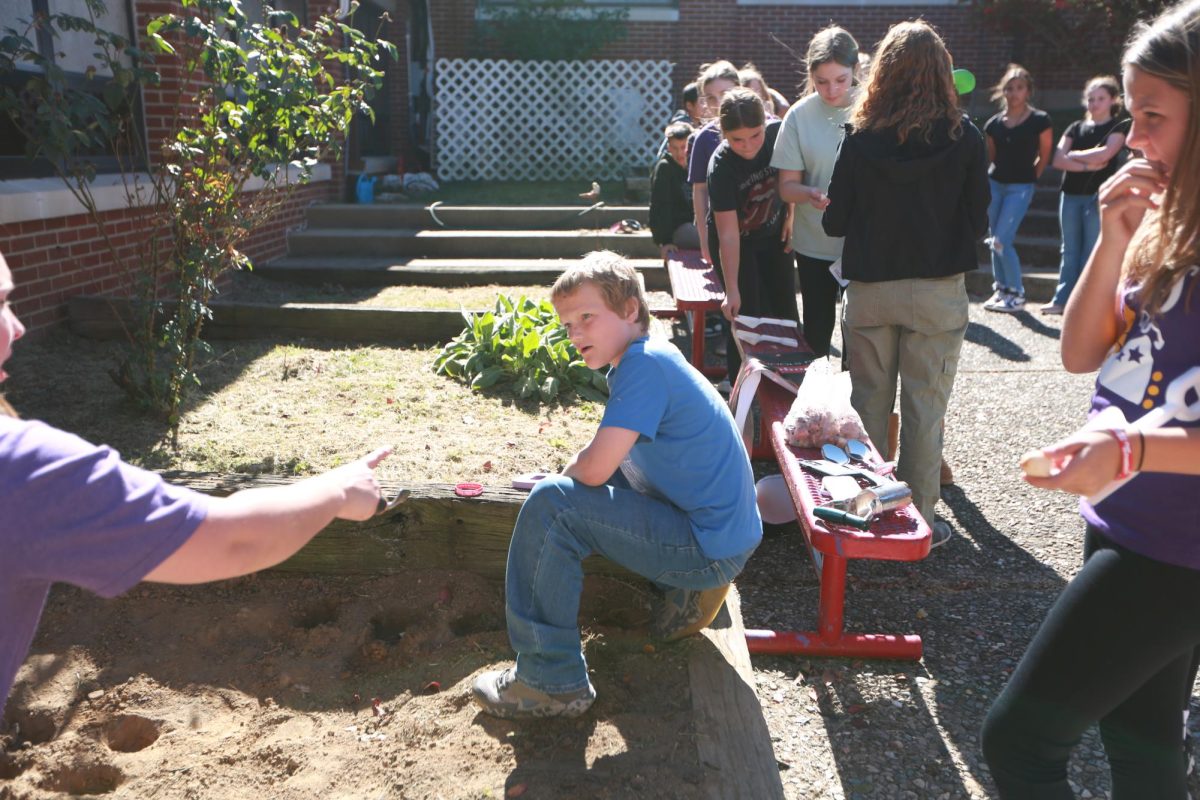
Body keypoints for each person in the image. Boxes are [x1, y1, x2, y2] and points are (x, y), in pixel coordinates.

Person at [0, 251, 391, 711]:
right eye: (1, 302)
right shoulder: (24, 468)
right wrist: (340, 490)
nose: (18, 325)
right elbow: (229, 540)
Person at [982, 2, 1200, 794]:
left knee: (1020, 741)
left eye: (1153, 116)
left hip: (1175, 546)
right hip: (1122, 517)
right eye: (1131, 113)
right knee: (1142, 745)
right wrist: (1112, 239)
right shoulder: (1163, 219)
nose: (1133, 138)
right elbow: (1080, 353)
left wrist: (1132, 449)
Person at [472, 251, 762, 719]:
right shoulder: (651, 355)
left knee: (554, 508)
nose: (575, 333)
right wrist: (564, 475)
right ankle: (694, 593)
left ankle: (551, 681)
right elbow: (608, 456)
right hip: (718, 531)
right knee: (567, 490)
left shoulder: (642, 367)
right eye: (567, 325)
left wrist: (556, 486)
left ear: (630, 309)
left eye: (587, 317)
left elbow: (591, 471)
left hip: (707, 546)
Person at [822, 20, 989, 549]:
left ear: (881, 75)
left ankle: (867, 513)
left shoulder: (860, 138)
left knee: (869, 405)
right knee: (925, 409)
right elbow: (978, 221)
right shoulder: (967, 138)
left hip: (872, 288)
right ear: (942, 75)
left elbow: (835, 222)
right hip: (938, 290)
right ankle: (918, 523)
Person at [772, 25, 861, 358]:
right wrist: (808, 192)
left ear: (856, 71)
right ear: (810, 75)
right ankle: (816, 406)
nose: (832, 89)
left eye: (841, 79)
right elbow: (786, 187)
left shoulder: (875, 108)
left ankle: (858, 409)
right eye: (822, 81)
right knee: (817, 332)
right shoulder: (798, 115)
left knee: (860, 338)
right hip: (814, 243)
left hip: (863, 244)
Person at [708, 87, 797, 378]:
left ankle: (788, 381)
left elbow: (793, 175)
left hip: (773, 232)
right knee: (746, 315)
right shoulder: (721, 167)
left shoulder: (778, 134)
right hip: (737, 241)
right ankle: (740, 389)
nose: (748, 146)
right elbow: (729, 235)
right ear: (724, 134)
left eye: (755, 135)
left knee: (785, 310)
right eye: (737, 139)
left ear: (765, 123)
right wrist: (730, 289)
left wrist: (791, 215)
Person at [1043, 75, 1130, 315]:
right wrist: (1086, 166)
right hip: (1070, 195)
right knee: (1069, 249)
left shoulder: (1119, 127)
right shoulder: (1074, 127)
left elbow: (1107, 153)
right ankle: (1062, 300)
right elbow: (1058, 159)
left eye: (1100, 98)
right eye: (1090, 99)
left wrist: (1076, 155)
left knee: (1090, 249)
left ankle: (1084, 303)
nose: (1094, 103)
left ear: (1113, 100)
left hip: (1097, 197)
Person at [983, 63, 1053, 313]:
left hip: (1020, 186)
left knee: (1003, 239)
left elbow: (1044, 154)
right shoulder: (994, 124)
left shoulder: (1039, 120)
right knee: (994, 240)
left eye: (1019, 88)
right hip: (996, 184)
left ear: (1028, 91)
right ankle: (1001, 289)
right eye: (1009, 88)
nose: (1014, 93)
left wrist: (1031, 176)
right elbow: (993, 155)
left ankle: (1017, 292)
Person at [687, 60, 742, 268]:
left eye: (725, 94)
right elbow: (699, 191)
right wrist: (703, 238)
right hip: (720, 227)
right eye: (711, 98)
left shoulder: (764, 127)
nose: (719, 103)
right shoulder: (703, 138)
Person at [649, 121, 700, 259]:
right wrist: (665, 241)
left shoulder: (697, 164)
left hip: (698, 223)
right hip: (679, 228)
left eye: (684, 147)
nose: (680, 153)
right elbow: (660, 206)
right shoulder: (665, 168)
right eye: (674, 148)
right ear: (668, 148)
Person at [654, 82, 701, 161]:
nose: (706, 105)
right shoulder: (680, 127)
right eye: (701, 102)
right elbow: (662, 154)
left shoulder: (702, 124)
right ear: (689, 105)